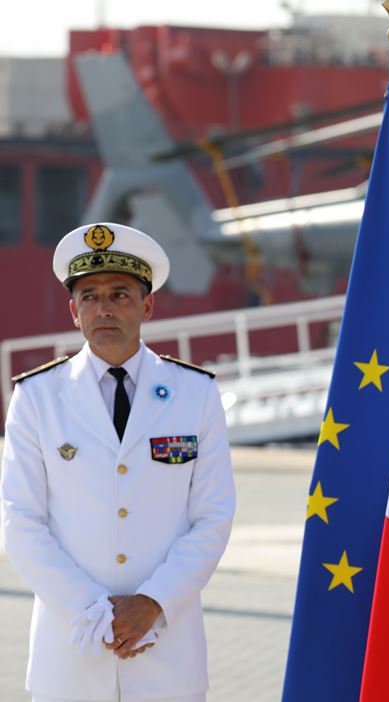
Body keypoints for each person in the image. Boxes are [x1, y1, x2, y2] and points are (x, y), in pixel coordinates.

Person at [1, 222, 236, 702]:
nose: (104, 308)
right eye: (89, 296)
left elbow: (213, 516)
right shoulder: (37, 398)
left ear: (147, 305)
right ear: (73, 311)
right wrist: (92, 611)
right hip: (71, 656)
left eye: (120, 295)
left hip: (166, 652)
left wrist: (152, 602)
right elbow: (20, 521)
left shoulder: (196, 394)